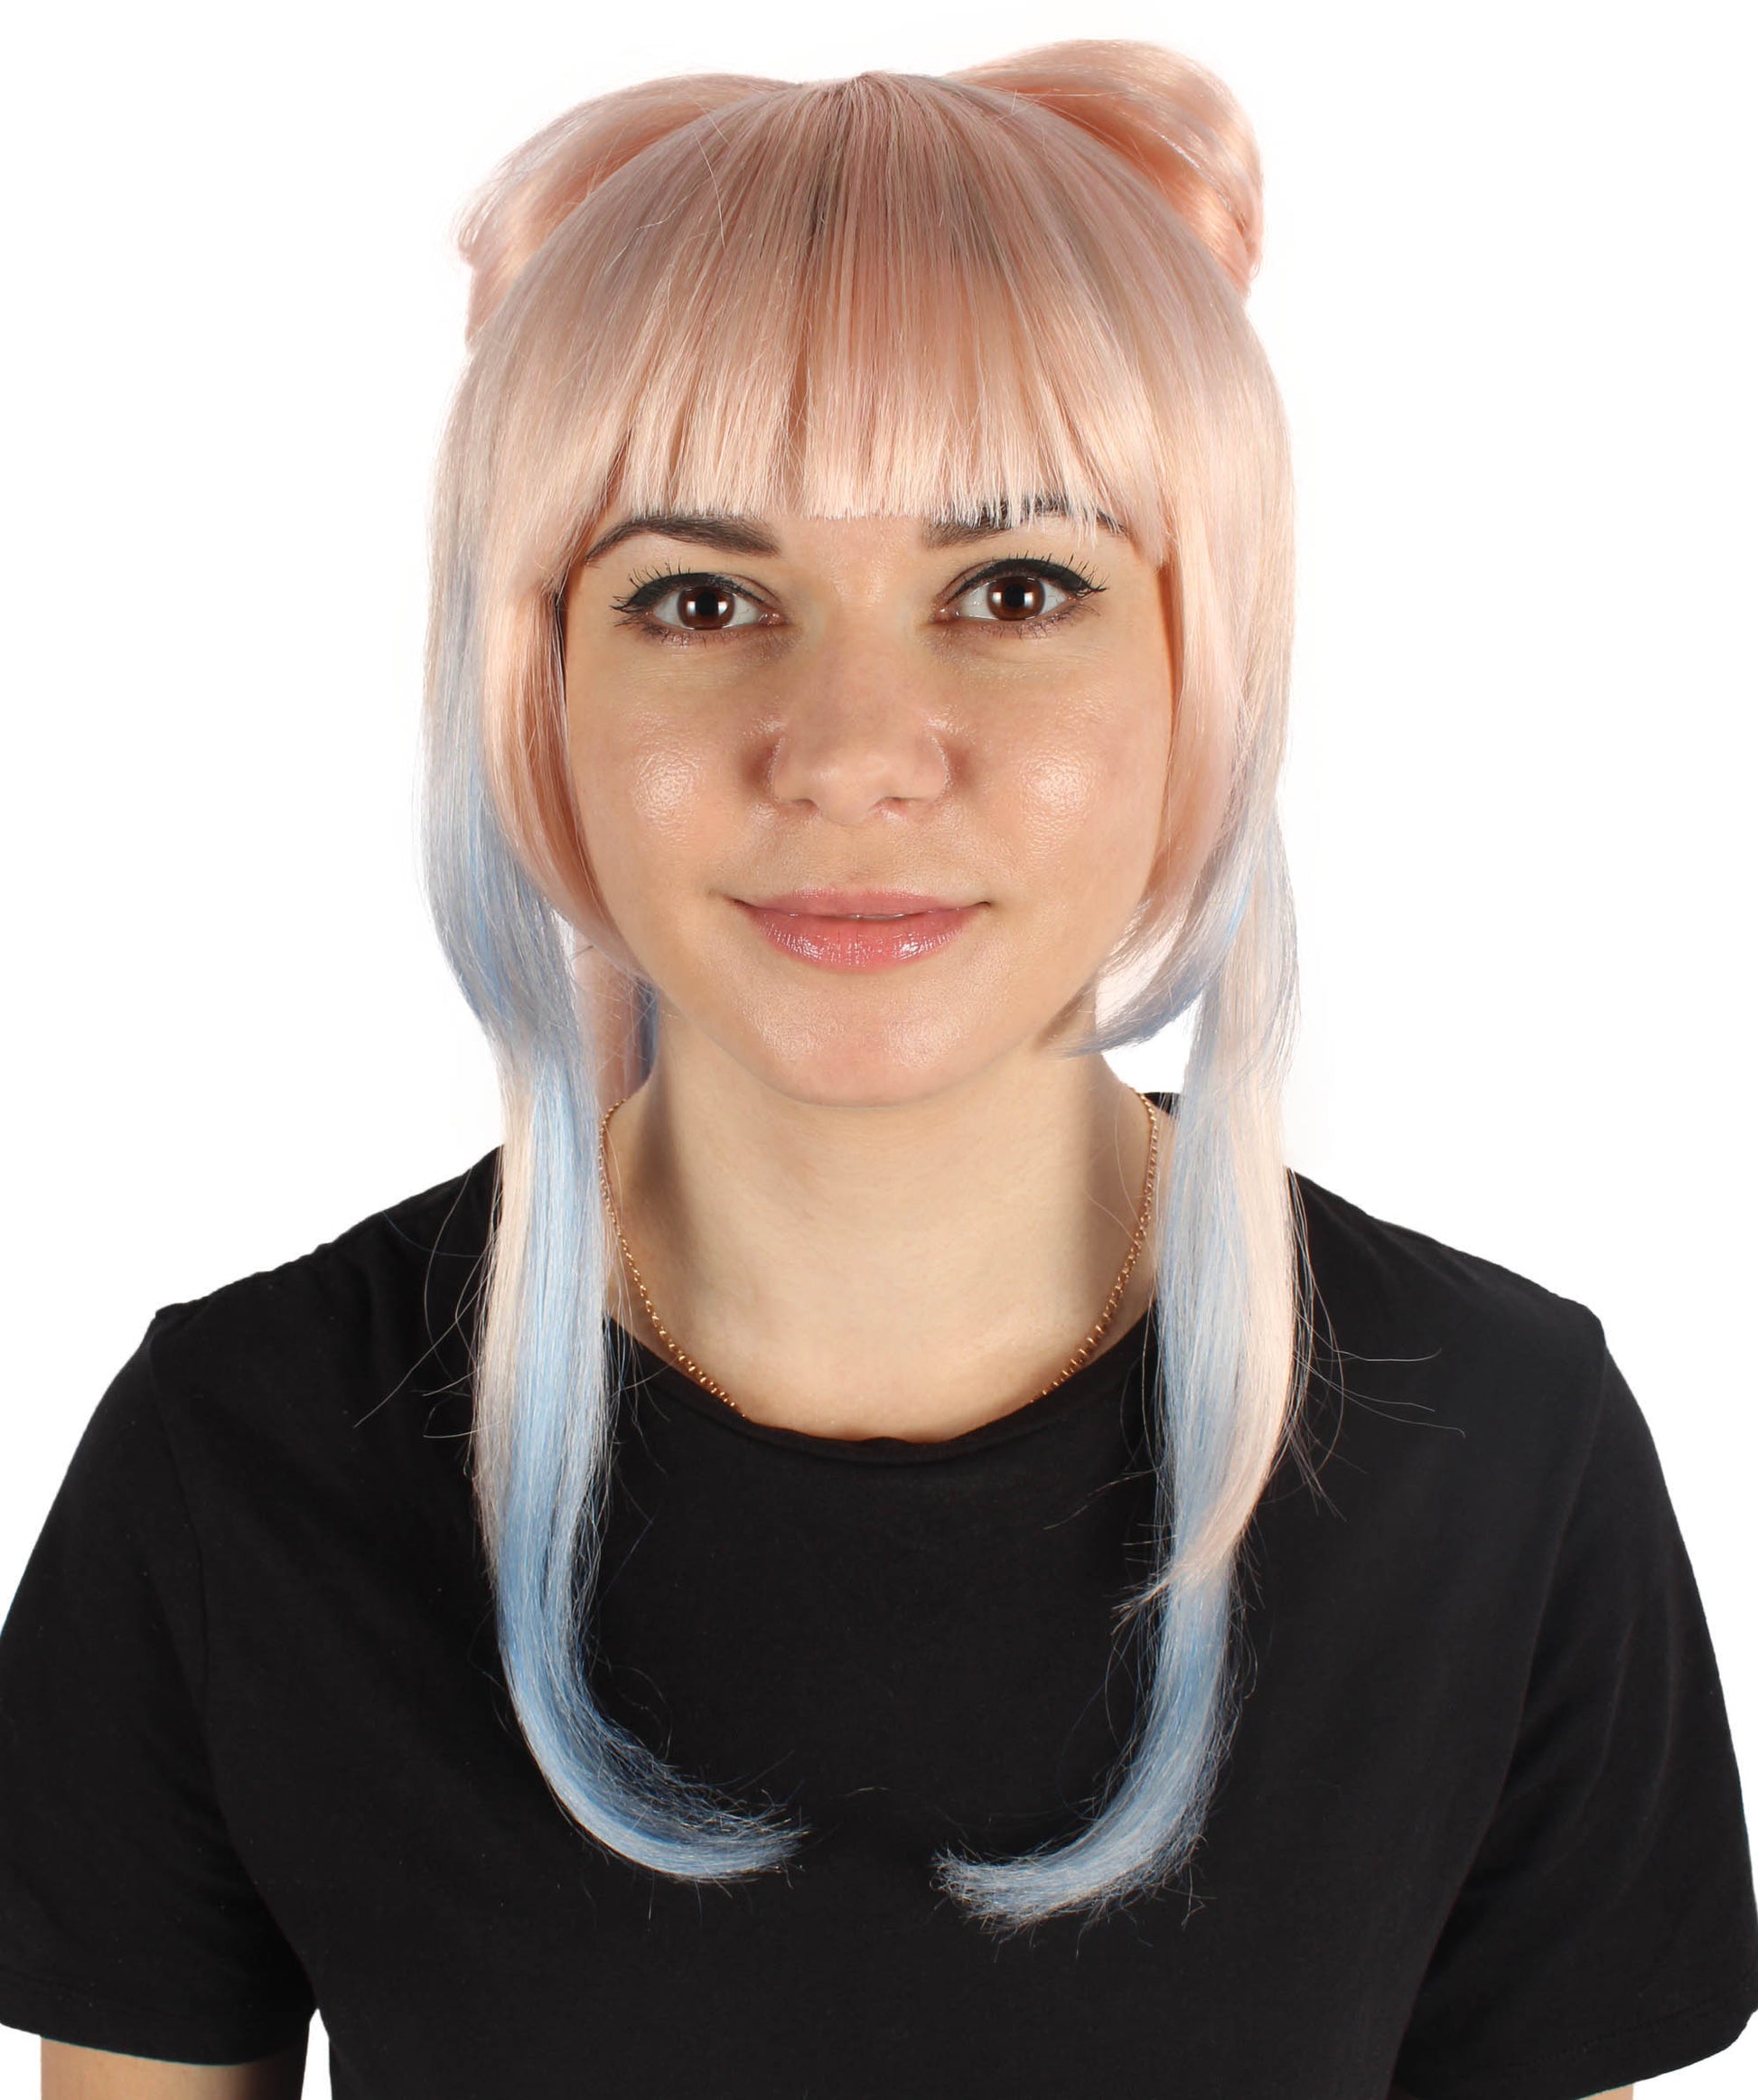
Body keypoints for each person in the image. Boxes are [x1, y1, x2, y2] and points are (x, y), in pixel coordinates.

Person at [1, 36, 1753, 2100]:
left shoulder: (1500, 1457)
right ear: (538, 686)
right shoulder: (242, 1466)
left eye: (1012, 588)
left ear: (1202, 661)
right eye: (699, 596)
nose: (847, 754)